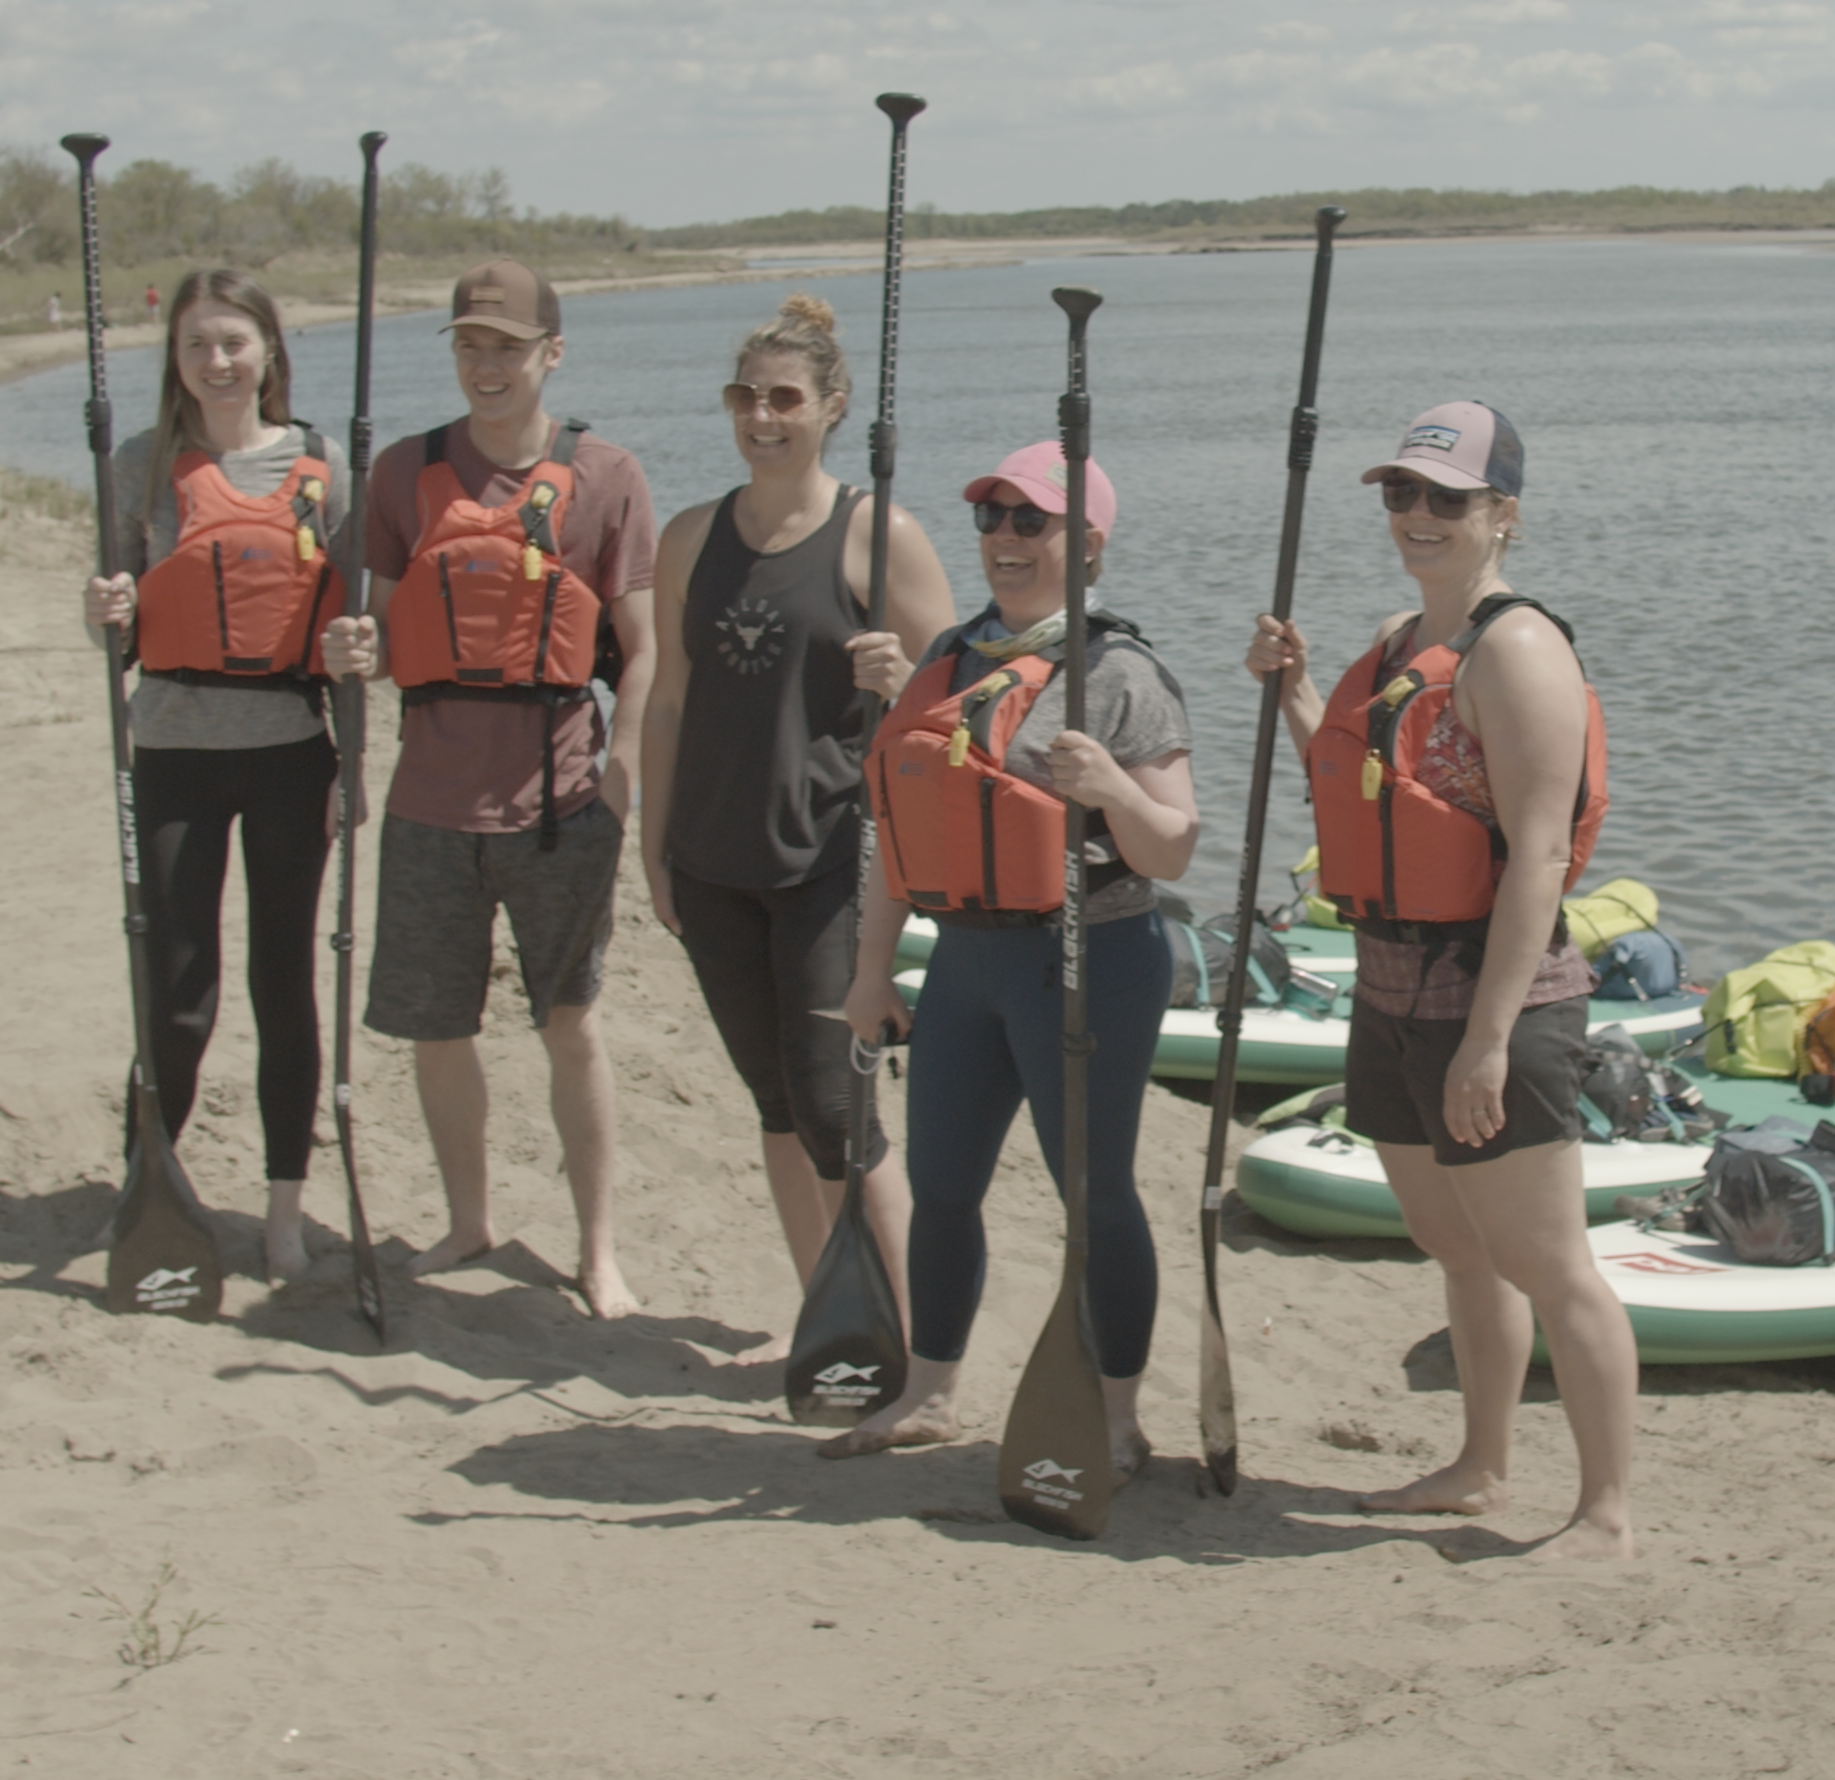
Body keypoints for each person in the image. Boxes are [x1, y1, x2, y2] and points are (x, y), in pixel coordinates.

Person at [1244, 400, 1634, 1559]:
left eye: (1444, 500)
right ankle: (1479, 1466)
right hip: (1388, 985)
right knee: (1456, 1247)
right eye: (1399, 494)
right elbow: (1369, 789)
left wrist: (1491, 1038)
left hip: (1490, 994)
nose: (1416, 516)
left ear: (1502, 515)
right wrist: (1298, 692)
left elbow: (1539, 854)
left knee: (1549, 1264)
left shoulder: (1517, 647)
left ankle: (1605, 1512)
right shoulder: (1400, 637)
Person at [822, 445, 1197, 1476]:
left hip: (1094, 958)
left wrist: (1115, 790)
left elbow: (1173, 844)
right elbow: (901, 833)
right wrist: (868, 974)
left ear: (1089, 547)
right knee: (942, 1184)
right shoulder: (949, 657)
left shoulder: (1120, 674)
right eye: (991, 517)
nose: (1003, 539)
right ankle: (931, 1392)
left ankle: (1118, 1417)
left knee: (1096, 1194)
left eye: (1030, 522)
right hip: (965, 964)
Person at [318, 259, 658, 1319]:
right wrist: (353, 651)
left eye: (507, 346)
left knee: (571, 1023)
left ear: (551, 353)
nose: (487, 365)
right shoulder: (399, 474)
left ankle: (597, 1249)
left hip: (559, 799)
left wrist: (625, 770)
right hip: (429, 799)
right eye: (470, 345)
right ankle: (470, 1221)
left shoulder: (607, 476)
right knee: (437, 1025)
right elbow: (372, 638)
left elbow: (642, 650)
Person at [638, 295, 955, 1361]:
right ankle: (829, 1319)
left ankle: (908, 1344)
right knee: (775, 1106)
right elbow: (670, 698)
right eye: (745, 397)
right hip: (712, 861)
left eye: (784, 399)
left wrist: (902, 679)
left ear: (832, 407)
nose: (761, 418)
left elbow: (974, 702)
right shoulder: (689, 537)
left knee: (841, 1115)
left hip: (829, 862)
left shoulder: (879, 534)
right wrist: (653, 849)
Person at [78, 267, 343, 1280]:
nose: (217, 362)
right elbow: (115, 627)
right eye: (197, 344)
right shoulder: (140, 468)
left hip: (288, 751)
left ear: (269, 349)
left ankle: (284, 1206)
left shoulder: (323, 466)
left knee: (285, 982)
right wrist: (102, 616)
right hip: (176, 748)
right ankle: (151, 1183)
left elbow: (349, 639)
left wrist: (352, 769)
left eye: (235, 341)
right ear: (177, 360)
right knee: (178, 984)